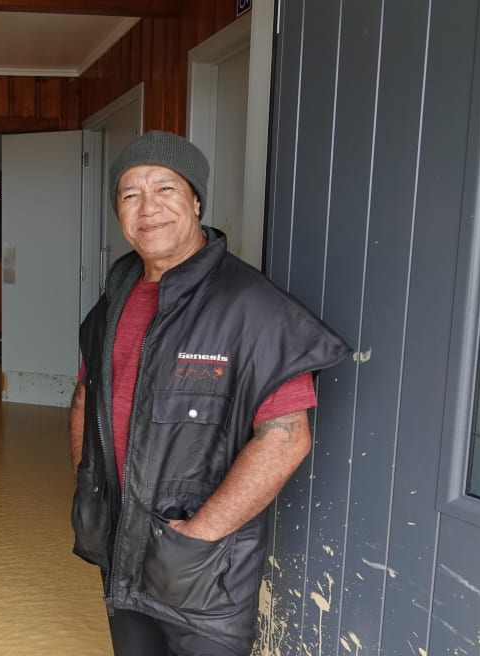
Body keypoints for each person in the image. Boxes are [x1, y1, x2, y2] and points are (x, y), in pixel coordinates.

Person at [68, 131, 351, 656]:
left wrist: (197, 537)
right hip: (120, 548)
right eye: (130, 195)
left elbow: (286, 439)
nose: (148, 208)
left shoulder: (252, 307)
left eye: (166, 189)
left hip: (206, 575)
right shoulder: (113, 301)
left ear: (196, 200)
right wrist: (91, 485)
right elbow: (86, 396)